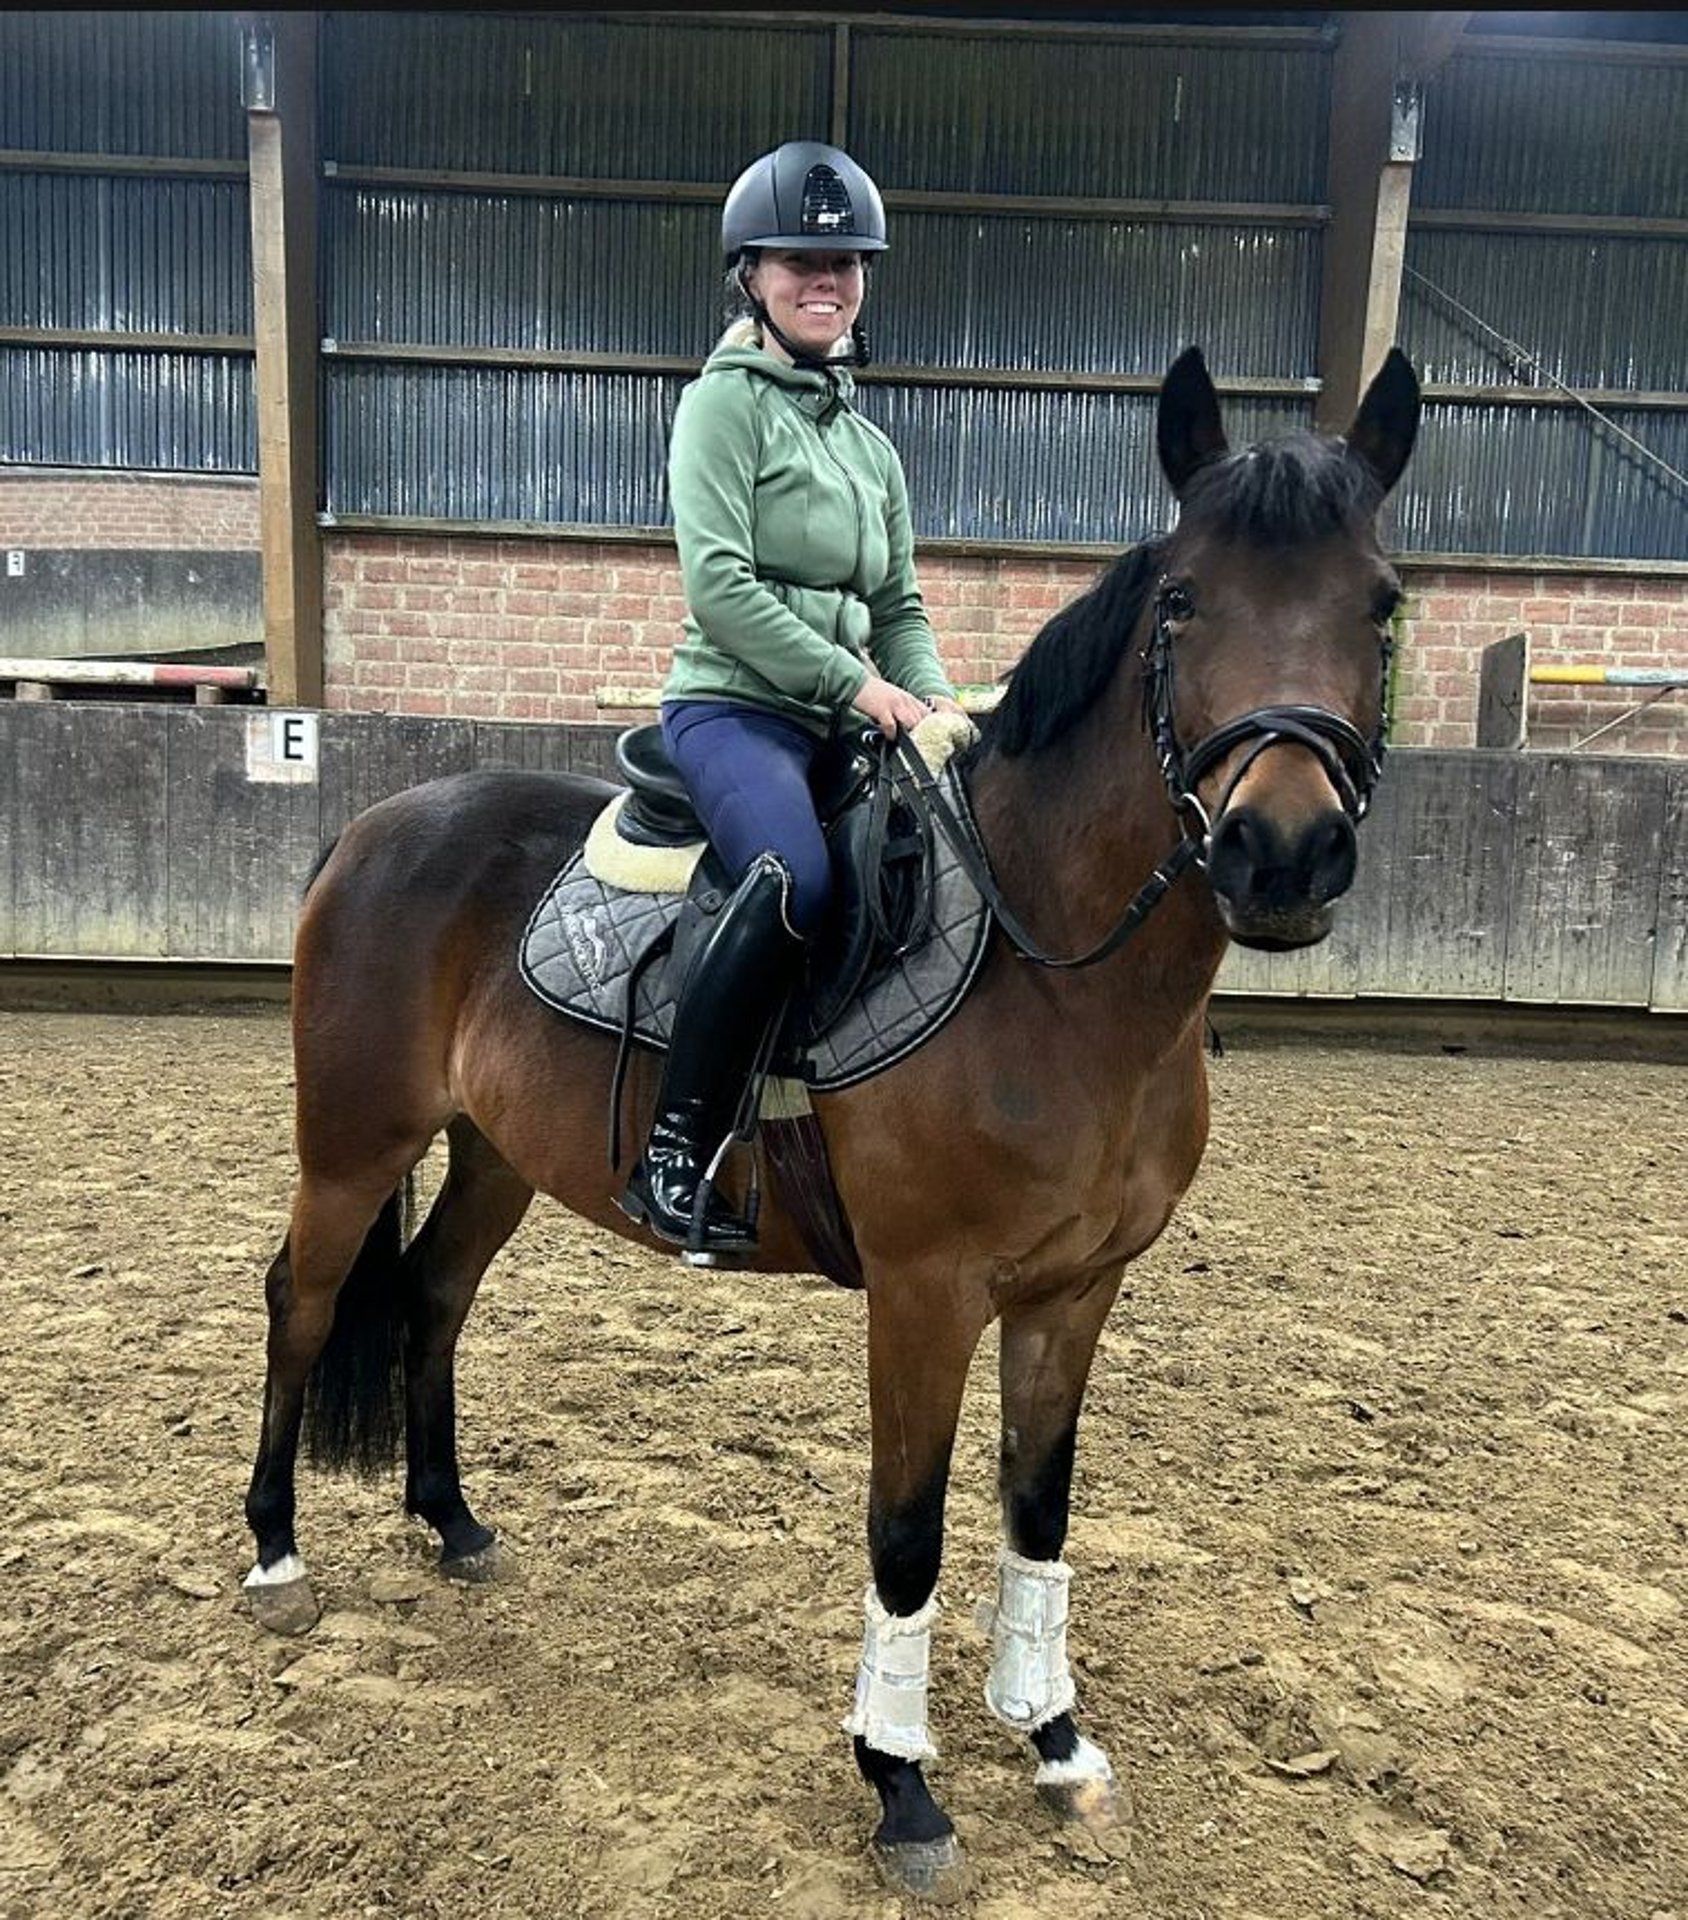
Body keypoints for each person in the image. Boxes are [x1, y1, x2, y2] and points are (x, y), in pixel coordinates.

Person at [617, 138, 967, 1259]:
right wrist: (860, 689)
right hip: (732, 711)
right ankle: (674, 1151)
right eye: (796, 263)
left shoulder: (870, 449)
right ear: (751, 279)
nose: (826, 283)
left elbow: (900, 606)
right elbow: (719, 592)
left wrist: (936, 702)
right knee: (792, 875)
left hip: (844, 717)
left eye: (845, 265)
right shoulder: (721, 412)